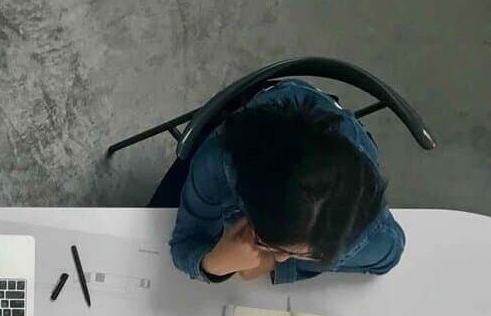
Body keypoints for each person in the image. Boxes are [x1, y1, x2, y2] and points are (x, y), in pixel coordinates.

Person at [165, 79, 404, 285]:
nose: (281, 257)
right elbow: (185, 241)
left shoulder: (359, 218)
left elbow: (389, 253)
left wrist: (273, 263)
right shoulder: (218, 164)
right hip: (258, 123)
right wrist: (213, 264)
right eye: (273, 247)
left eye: (301, 254)